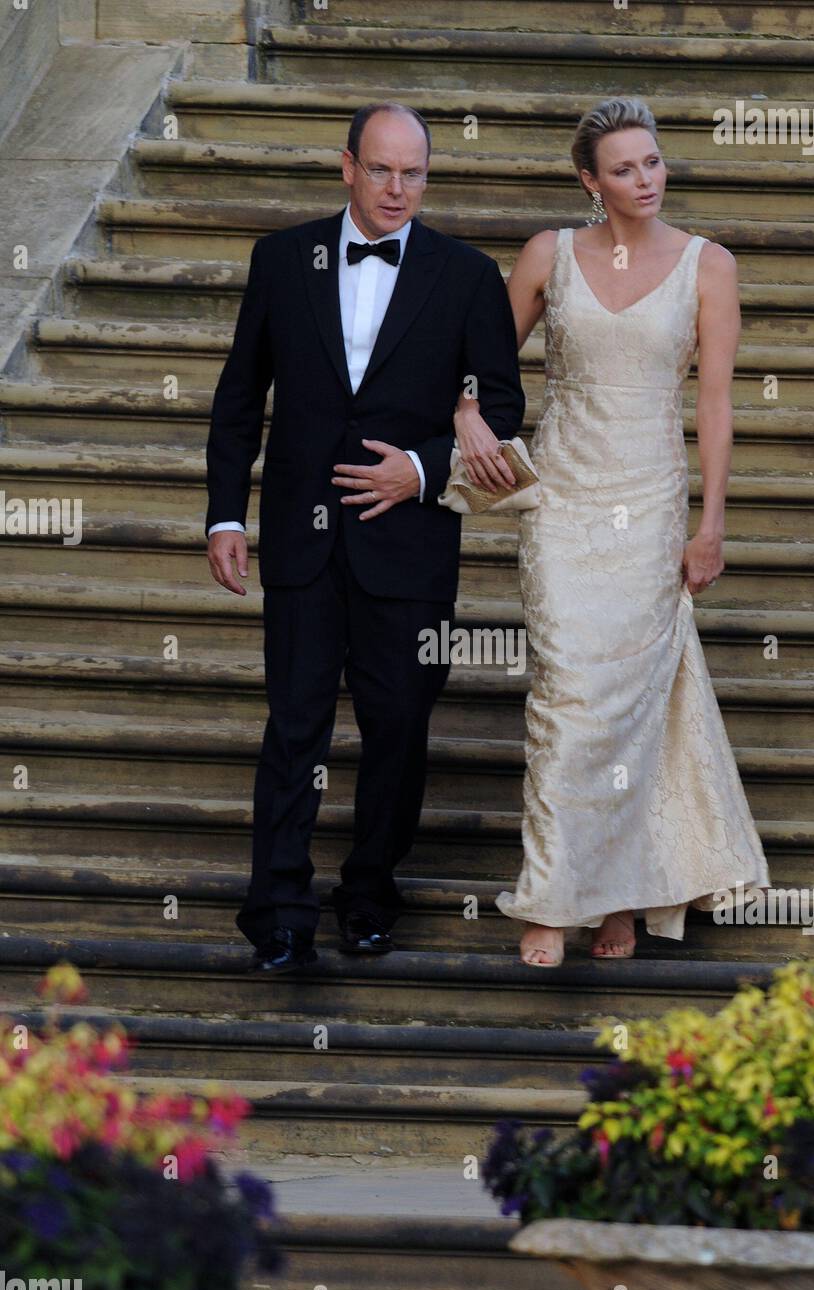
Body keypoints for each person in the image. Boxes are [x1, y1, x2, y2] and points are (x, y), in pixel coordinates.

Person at [205, 102, 525, 972]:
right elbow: (240, 402)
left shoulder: (467, 275)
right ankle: (276, 909)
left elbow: (501, 405)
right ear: (346, 166)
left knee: (399, 727)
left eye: (414, 173)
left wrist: (419, 469)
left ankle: (369, 892)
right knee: (295, 726)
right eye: (381, 170)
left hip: (411, 543)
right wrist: (226, 515)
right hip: (302, 545)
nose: (397, 189)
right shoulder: (281, 259)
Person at [454, 97, 770, 967]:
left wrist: (711, 525)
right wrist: (468, 413)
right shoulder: (546, 254)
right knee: (567, 696)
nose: (645, 179)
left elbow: (714, 401)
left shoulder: (710, 265)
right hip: (562, 498)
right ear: (590, 182)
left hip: (651, 496)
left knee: (628, 706)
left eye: (654, 162)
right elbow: (478, 356)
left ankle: (621, 897)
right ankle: (553, 897)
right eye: (624, 168)